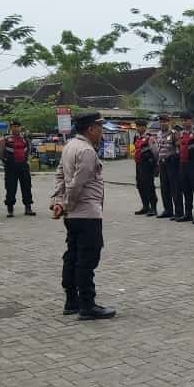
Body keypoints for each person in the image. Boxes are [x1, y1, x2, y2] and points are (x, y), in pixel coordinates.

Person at [50, 111, 115, 320]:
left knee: (73, 256)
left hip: (73, 214)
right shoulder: (86, 151)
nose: (101, 131)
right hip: (86, 213)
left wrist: (58, 202)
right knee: (86, 259)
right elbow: (78, 183)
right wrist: (66, 203)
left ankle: (71, 300)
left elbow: (60, 175)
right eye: (100, 127)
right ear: (90, 129)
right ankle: (87, 305)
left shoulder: (69, 146)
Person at [0, 120, 36, 217]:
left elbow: (28, 150)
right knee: (10, 188)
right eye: (14, 126)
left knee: (27, 187)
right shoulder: (4, 139)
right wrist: (6, 161)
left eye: (18, 126)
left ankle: (28, 208)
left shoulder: (24, 139)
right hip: (11, 167)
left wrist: (26, 161)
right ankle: (10, 209)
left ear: (20, 127)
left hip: (23, 166)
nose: (16, 128)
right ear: (11, 128)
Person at [176, 111, 194, 222]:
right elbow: (178, 146)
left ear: (191, 120)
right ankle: (188, 213)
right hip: (183, 164)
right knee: (186, 190)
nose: (183, 122)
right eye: (182, 120)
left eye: (185, 120)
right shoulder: (180, 133)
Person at [155, 113, 180, 219]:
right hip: (162, 163)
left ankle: (178, 212)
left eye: (164, 121)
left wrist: (175, 157)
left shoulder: (174, 133)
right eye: (160, 122)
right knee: (164, 188)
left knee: (175, 188)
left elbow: (179, 148)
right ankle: (168, 210)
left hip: (172, 163)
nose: (162, 124)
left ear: (168, 122)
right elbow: (158, 149)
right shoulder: (158, 134)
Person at [132, 119, 158, 216]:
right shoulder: (136, 137)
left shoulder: (150, 138)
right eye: (137, 126)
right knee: (140, 185)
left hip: (148, 165)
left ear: (144, 127)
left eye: (139, 126)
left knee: (149, 186)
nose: (138, 128)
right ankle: (145, 206)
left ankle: (153, 208)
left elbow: (155, 152)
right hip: (139, 164)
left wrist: (156, 166)